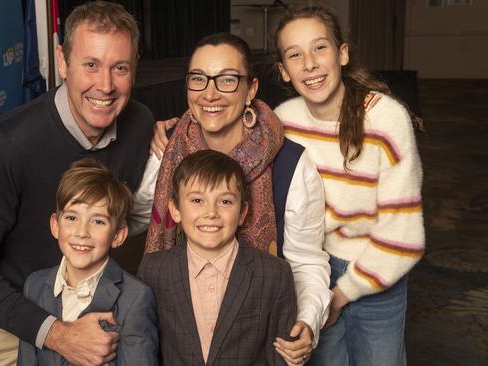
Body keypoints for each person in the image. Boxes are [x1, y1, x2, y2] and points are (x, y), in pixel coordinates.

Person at [0, 2, 157, 365]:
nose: (105, 85)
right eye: (90, 65)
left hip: (79, 311)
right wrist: (57, 334)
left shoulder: (139, 124)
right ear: (62, 60)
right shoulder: (5, 147)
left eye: (120, 68)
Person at [148, 32, 330, 365]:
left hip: (255, 333)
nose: (210, 94)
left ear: (251, 89)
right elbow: (134, 214)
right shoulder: (166, 149)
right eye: (198, 79)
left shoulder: (291, 164)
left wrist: (307, 320)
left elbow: (306, 261)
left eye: (228, 79)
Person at [273, 5, 425, 366]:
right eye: (295, 55)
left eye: (320, 48)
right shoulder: (283, 122)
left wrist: (339, 296)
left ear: (342, 54)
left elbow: (403, 236)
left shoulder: (386, 119)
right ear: (283, 71)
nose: (309, 63)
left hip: (376, 274)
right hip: (311, 270)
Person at [139, 149, 297, 365]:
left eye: (225, 202)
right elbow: (145, 350)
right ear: (175, 210)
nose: (211, 212)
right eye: (197, 200)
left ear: (242, 213)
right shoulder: (154, 270)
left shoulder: (274, 274)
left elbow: (282, 358)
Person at [17, 158, 158, 366]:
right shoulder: (34, 285)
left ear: (118, 235)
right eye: (72, 218)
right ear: (55, 225)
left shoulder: (135, 298)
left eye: (98, 221)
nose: (82, 232)